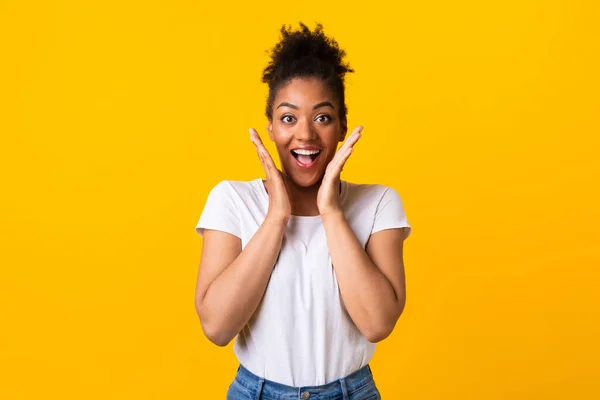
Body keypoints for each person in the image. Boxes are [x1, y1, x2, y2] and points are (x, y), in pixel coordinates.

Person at [194, 22, 412, 400]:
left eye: (323, 117)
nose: (306, 135)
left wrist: (331, 212)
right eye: (289, 118)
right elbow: (216, 326)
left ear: (342, 125)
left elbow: (377, 323)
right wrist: (277, 216)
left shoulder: (379, 203)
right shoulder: (231, 200)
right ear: (271, 126)